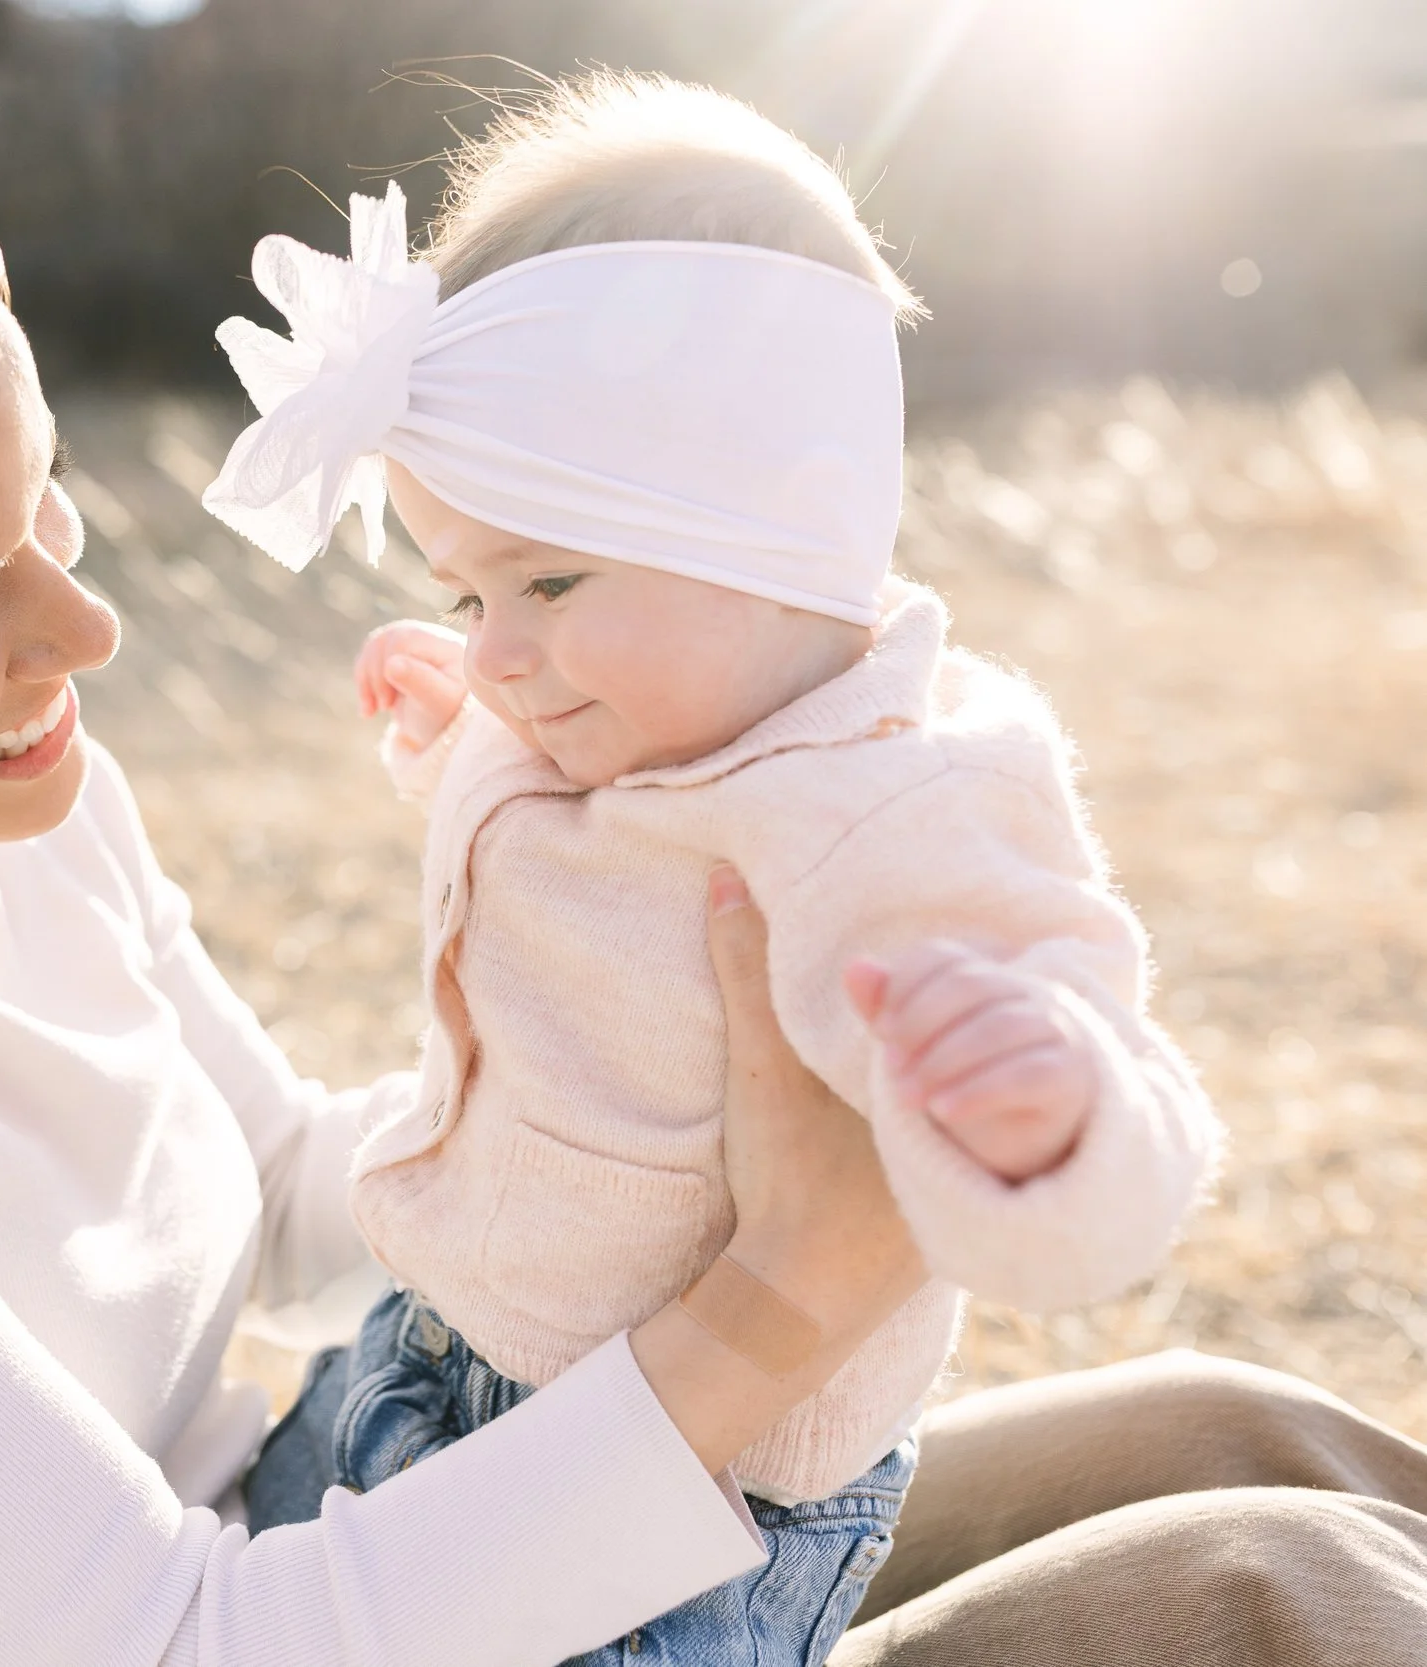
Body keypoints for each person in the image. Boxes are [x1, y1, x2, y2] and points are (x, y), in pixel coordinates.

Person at [0, 83, 1427, 1667]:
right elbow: (186, 1647)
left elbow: (271, 1172)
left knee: (1255, 1427)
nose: (79, 639)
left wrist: (635, 1061)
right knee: (1282, 1597)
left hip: (335, 1503)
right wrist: (781, 1292)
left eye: (45, 512)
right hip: (275, 1626)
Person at [200, 73, 1222, 1664]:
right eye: (467, 596)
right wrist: (448, 721)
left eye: (544, 577)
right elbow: (575, 876)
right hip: (413, 1351)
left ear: (774, 522)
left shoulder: (901, 803)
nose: (507, 655)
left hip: (692, 1511)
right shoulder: (618, 708)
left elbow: (1122, 1154)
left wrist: (1048, 1109)